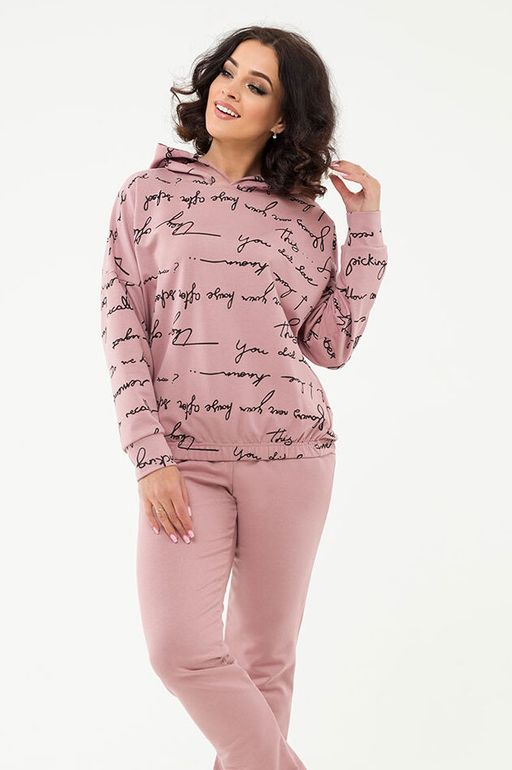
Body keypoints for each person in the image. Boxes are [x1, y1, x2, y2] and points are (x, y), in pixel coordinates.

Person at [99, 25, 388, 770]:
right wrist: (149, 457)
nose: (230, 92)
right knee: (179, 650)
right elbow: (123, 329)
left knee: (265, 660)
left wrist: (364, 229)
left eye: (256, 86)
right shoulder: (147, 195)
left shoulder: (308, 223)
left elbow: (332, 346)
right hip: (184, 461)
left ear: (283, 116)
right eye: (228, 73)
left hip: (291, 457)